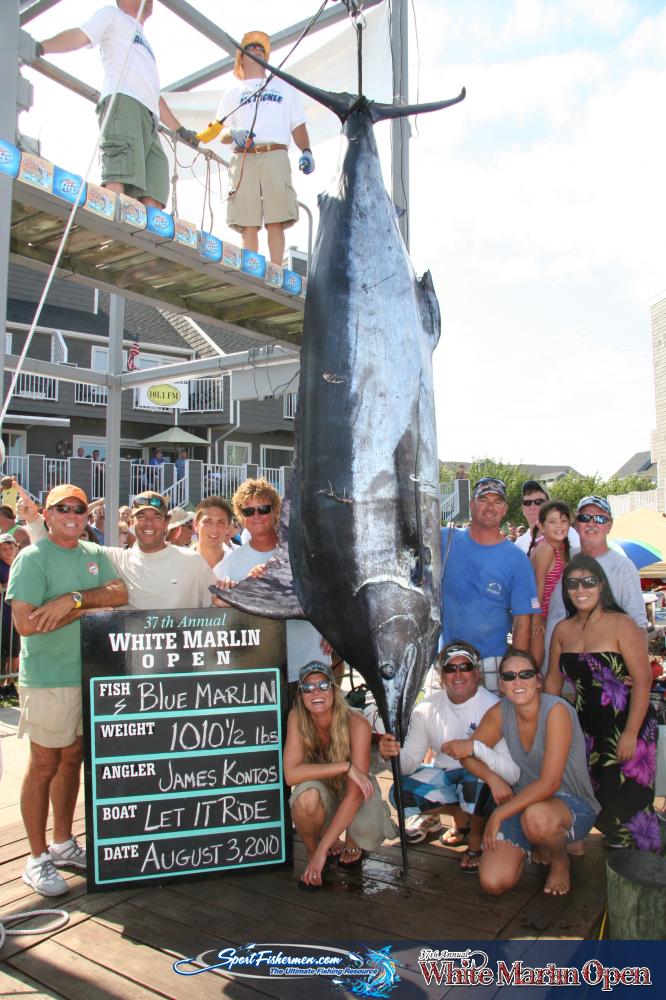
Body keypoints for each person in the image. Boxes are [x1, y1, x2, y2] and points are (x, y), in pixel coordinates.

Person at [6, 485, 127, 896]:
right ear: (48, 514)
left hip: (88, 676)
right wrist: (91, 609)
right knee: (44, 763)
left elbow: (120, 595)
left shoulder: (94, 554)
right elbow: (26, 623)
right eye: (63, 508)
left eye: (79, 508)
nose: (73, 514)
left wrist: (72, 601)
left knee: (72, 758)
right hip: (48, 679)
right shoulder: (31, 558)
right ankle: (36, 857)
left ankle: (62, 843)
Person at [545, 555, 659, 851]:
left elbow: (643, 680)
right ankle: (616, 879)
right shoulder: (562, 630)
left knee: (630, 811)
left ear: (601, 585)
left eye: (588, 582)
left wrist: (631, 733)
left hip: (628, 722)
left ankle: (646, 877)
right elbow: (552, 686)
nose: (580, 589)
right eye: (572, 583)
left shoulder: (622, 625)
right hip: (586, 728)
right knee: (600, 801)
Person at [36, 0, 197, 208]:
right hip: (124, 102)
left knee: (155, 189)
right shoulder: (113, 15)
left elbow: (154, 95)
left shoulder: (146, 43)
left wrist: (180, 130)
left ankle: (142, 240)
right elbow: (81, 35)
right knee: (120, 181)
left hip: (149, 118)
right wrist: (42, 47)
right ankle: (115, 226)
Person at [467, 650, 600, 897]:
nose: (518, 682)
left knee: (537, 817)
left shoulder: (556, 710)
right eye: (509, 676)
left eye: (525, 674)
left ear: (538, 681)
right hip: (523, 803)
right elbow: (468, 753)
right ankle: (539, 842)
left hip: (569, 801)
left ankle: (560, 860)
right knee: (493, 882)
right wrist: (493, 780)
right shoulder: (500, 712)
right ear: (501, 685)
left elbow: (550, 783)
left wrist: (499, 814)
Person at [378, 641, 519, 872]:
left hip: (485, 779)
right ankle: (461, 818)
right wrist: (389, 755)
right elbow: (409, 764)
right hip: (446, 776)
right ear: (441, 675)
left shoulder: (493, 707)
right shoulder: (425, 709)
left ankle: (475, 840)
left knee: (473, 783)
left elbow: (505, 766)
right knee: (399, 792)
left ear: (477, 672)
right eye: (450, 669)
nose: (458, 674)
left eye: (465, 667)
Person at [283, 662, 396, 887]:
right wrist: (344, 766)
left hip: (352, 790)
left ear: (335, 691)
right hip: (323, 788)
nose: (316, 692)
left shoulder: (357, 723)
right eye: (308, 688)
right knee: (306, 799)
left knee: (368, 827)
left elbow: (355, 794)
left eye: (324, 685)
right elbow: (291, 775)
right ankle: (314, 852)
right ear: (301, 694)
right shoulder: (297, 716)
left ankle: (347, 839)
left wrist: (350, 770)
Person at [21, 491, 217, 611]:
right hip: (131, 670)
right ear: (131, 522)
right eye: (141, 517)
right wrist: (34, 520)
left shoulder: (193, 562)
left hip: (180, 669)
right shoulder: (112, 559)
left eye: (156, 517)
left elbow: (216, 609)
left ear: (166, 522)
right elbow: (62, 545)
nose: (148, 523)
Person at [216, 30, 315, 264]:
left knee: (276, 219)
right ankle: (252, 267)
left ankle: (276, 268)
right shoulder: (232, 93)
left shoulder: (284, 88)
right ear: (241, 58)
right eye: (251, 47)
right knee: (248, 220)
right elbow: (219, 131)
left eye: (261, 48)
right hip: (244, 157)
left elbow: (297, 125)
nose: (258, 50)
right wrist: (233, 133)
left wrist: (306, 150)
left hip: (275, 153)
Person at [440, 477, 539, 691]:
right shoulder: (443, 540)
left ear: (505, 509)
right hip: (446, 660)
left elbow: (523, 622)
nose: (490, 506)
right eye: (483, 499)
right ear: (472, 505)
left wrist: (514, 673)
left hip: (491, 662)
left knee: (494, 724)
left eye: (497, 501)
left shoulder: (517, 560)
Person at [543, 496, 647, 668]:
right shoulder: (561, 558)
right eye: (585, 518)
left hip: (599, 677)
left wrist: (638, 672)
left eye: (600, 518)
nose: (592, 523)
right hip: (554, 670)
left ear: (609, 525)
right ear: (575, 525)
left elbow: (638, 623)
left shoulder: (623, 567)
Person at [528, 500, 573, 666]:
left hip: (553, 617)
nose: (559, 526)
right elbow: (536, 586)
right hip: (538, 616)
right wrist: (536, 618)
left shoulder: (564, 548)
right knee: (536, 663)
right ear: (542, 526)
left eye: (563, 521)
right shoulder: (546, 548)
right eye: (552, 521)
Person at [515, 480, 579, 555]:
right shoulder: (518, 546)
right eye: (527, 503)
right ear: (523, 509)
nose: (532, 507)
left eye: (538, 502)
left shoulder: (566, 533)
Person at [191, 497, 234, 570]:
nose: (214, 529)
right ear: (195, 525)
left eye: (221, 522)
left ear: (228, 528)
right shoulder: (180, 562)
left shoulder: (240, 564)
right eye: (207, 521)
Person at [0, 532, 21, 679]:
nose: (7, 549)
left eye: (10, 545)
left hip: (20, 615)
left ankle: (10, 683)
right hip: (3, 616)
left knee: (15, 650)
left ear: (16, 547)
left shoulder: (23, 562)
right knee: (2, 651)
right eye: (3, 547)